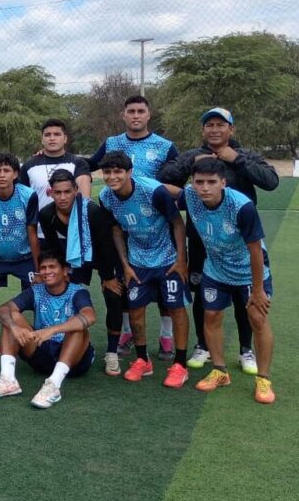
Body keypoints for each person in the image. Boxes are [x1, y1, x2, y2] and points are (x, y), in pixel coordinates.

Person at [158, 107, 279, 373]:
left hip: (238, 240)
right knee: (204, 294)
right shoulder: (192, 155)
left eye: (220, 125)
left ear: (231, 129)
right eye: (209, 125)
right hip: (203, 239)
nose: (214, 129)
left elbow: (271, 181)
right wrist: (193, 162)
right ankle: (203, 345)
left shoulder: (244, 154)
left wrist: (237, 159)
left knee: (243, 296)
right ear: (203, 130)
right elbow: (164, 177)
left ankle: (246, 349)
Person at [172, 159, 276, 403]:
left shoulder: (241, 206)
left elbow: (255, 251)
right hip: (216, 270)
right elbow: (165, 190)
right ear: (192, 183)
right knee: (211, 316)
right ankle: (220, 371)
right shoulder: (190, 195)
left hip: (248, 272)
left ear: (223, 183)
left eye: (211, 182)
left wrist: (258, 290)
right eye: (199, 182)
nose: (204, 187)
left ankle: (263, 379)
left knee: (258, 319)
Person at [88, 95, 179, 360]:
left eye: (141, 111)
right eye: (131, 111)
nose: (136, 115)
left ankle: (166, 336)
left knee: (165, 282)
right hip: (124, 224)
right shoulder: (111, 143)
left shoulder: (165, 146)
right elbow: (87, 165)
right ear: (124, 115)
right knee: (126, 279)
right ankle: (127, 332)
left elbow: (178, 178)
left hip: (156, 225)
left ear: (149, 114)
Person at [98, 151, 190, 388]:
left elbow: (177, 223)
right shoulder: (105, 197)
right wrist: (125, 265)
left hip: (168, 259)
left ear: (129, 172)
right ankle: (142, 360)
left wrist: (181, 260)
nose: (112, 177)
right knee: (136, 309)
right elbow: (116, 230)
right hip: (138, 262)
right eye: (107, 172)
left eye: (118, 171)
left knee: (176, 308)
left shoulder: (153, 191)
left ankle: (180, 365)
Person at [0, 252, 97, 409]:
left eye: (52, 267)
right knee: (11, 316)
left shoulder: (78, 292)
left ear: (64, 271)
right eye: (43, 268)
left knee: (78, 328)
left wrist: (52, 330)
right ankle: (8, 379)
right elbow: (2, 309)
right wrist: (14, 327)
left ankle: (53, 385)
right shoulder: (36, 291)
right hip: (41, 353)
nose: (47, 271)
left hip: (73, 360)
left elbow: (90, 316)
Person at [38, 169, 126, 376]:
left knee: (113, 295)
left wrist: (108, 277)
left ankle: (112, 352)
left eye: (67, 192)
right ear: (50, 192)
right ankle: (63, 341)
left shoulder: (93, 212)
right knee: (61, 291)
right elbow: (52, 248)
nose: (62, 197)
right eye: (57, 192)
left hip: (102, 255)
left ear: (76, 191)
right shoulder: (47, 214)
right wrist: (61, 272)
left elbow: (106, 246)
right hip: (74, 256)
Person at [0, 153, 42, 363]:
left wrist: (38, 270)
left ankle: (40, 338)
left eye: (6, 170)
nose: (2, 175)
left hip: (24, 258)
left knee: (41, 293)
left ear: (15, 174)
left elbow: (32, 233)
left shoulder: (28, 195)